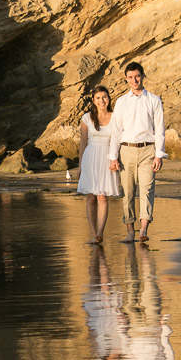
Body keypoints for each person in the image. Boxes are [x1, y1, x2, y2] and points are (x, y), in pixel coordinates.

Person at [108, 62, 167, 243]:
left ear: (143, 76)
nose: (134, 80)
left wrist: (159, 154)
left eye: (137, 76)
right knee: (127, 192)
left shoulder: (154, 100)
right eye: (131, 77)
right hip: (126, 150)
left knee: (147, 189)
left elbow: (160, 129)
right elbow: (116, 131)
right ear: (126, 79)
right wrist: (113, 157)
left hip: (148, 149)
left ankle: (143, 229)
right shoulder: (121, 102)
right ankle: (130, 230)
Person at [77, 85, 121, 244]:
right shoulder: (87, 118)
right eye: (98, 98)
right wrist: (80, 166)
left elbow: (118, 140)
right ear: (93, 101)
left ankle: (100, 233)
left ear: (108, 98)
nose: (102, 101)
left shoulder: (115, 116)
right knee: (91, 197)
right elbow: (83, 143)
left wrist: (115, 159)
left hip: (107, 157)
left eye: (104, 97)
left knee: (102, 196)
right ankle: (93, 232)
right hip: (90, 157)